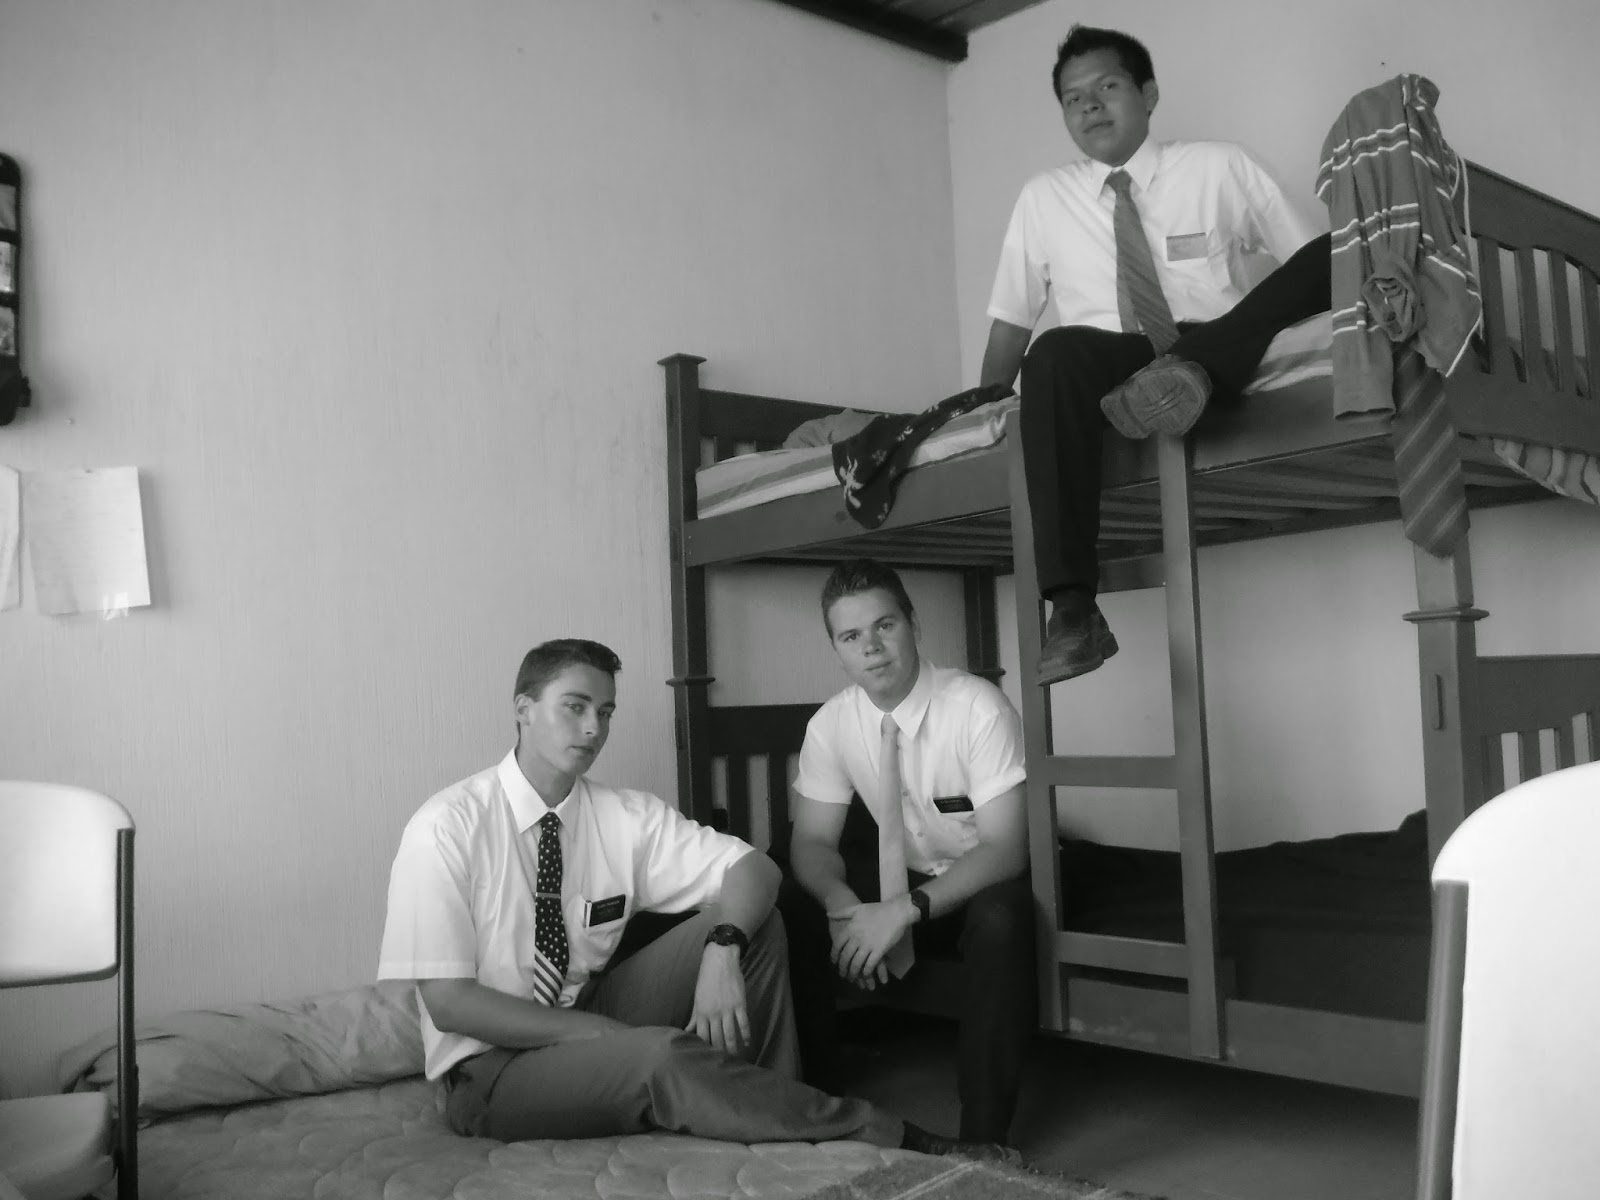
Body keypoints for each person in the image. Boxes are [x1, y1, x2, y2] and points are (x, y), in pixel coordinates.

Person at [377, 637, 1011, 1158]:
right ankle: (883, 1134)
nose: (594, 728)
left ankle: (776, 1112)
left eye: (606, 711)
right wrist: (595, 1035)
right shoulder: (446, 827)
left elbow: (754, 869)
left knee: (757, 921)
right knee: (655, 1054)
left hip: (591, 1004)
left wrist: (723, 946)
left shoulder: (621, 815)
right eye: (575, 707)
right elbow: (449, 1003)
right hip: (492, 1070)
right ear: (523, 708)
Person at [980, 24, 1332, 685]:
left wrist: (1214, 348)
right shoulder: (1043, 198)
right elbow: (1011, 323)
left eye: (1107, 86)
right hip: (1111, 363)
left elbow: (1310, 260)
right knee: (1051, 354)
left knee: (1338, 251)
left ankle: (1190, 370)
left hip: (1216, 342)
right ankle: (1074, 609)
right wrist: (980, 411)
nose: (1089, 106)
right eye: (1072, 99)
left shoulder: (1219, 166)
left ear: (1148, 94)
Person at [776, 561, 1036, 1146]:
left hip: (975, 880)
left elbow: (1006, 849)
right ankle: (820, 1107)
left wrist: (901, 911)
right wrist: (843, 908)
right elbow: (811, 842)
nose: (871, 647)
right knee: (791, 897)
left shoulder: (978, 708)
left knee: (1004, 917)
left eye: (884, 625)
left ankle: (983, 1141)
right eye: (851, 636)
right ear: (837, 649)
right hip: (905, 874)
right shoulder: (831, 724)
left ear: (913, 626)